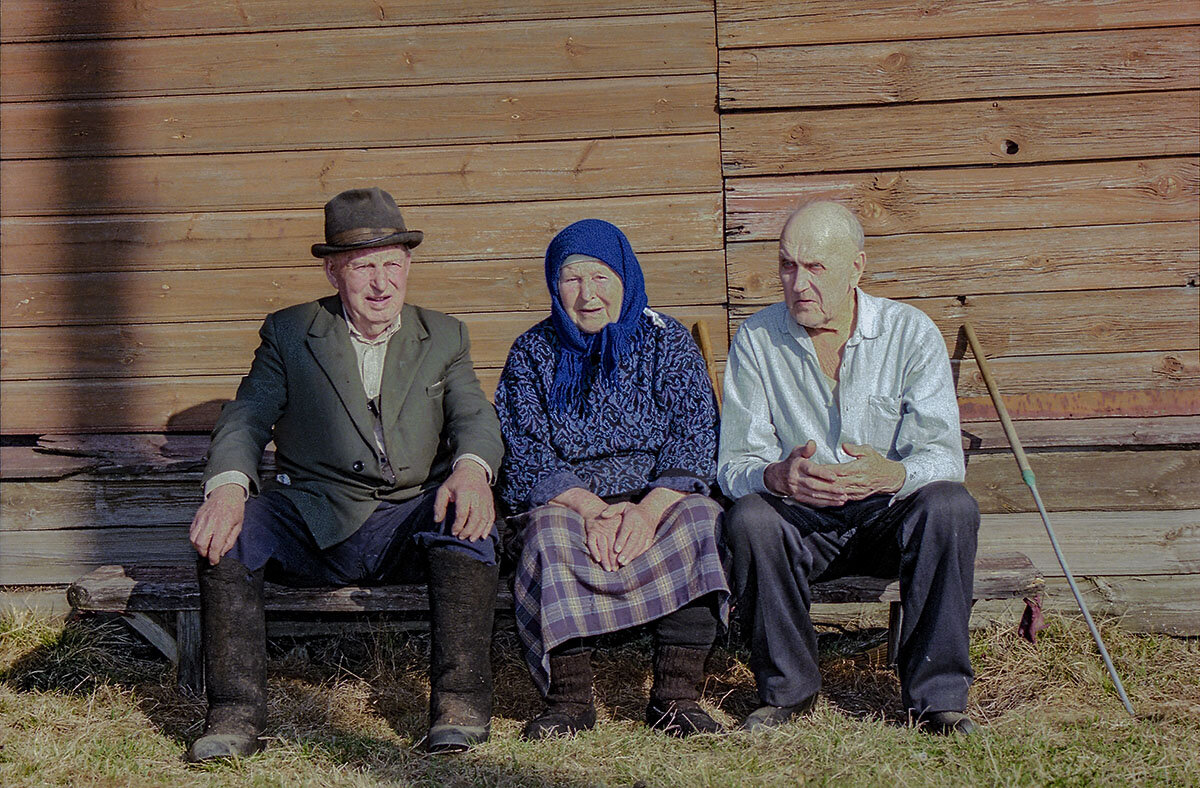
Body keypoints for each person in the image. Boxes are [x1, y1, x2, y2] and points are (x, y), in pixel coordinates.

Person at [186, 187, 505, 760]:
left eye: (392, 264)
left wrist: (473, 471)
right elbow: (247, 417)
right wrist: (229, 487)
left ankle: (459, 708)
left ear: (408, 265)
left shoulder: (445, 335)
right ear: (334, 271)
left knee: (469, 526)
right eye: (363, 267)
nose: (381, 283)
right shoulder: (290, 333)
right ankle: (233, 718)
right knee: (228, 537)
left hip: (409, 516)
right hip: (316, 518)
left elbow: (475, 415)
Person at [718, 201, 980, 735]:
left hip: (888, 516)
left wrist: (894, 474)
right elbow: (733, 464)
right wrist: (775, 476)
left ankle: (938, 701)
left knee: (951, 505)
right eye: (788, 266)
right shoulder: (757, 338)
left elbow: (945, 456)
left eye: (816, 268)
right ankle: (789, 692)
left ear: (857, 268)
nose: (798, 284)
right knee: (749, 517)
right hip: (805, 520)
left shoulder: (910, 333)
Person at [495, 219, 729, 739]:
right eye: (572, 279)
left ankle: (676, 697)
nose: (588, 294)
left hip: (658, 495)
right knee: (550, 536)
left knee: (700, 522)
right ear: (554, 285)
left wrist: (646, 511)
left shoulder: (668, 343)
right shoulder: (532, 353)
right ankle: (569, 702)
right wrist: (593, 509)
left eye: (601, 277)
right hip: (571, 500)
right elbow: (524, 450)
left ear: (625, 276)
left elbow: (695, 438)